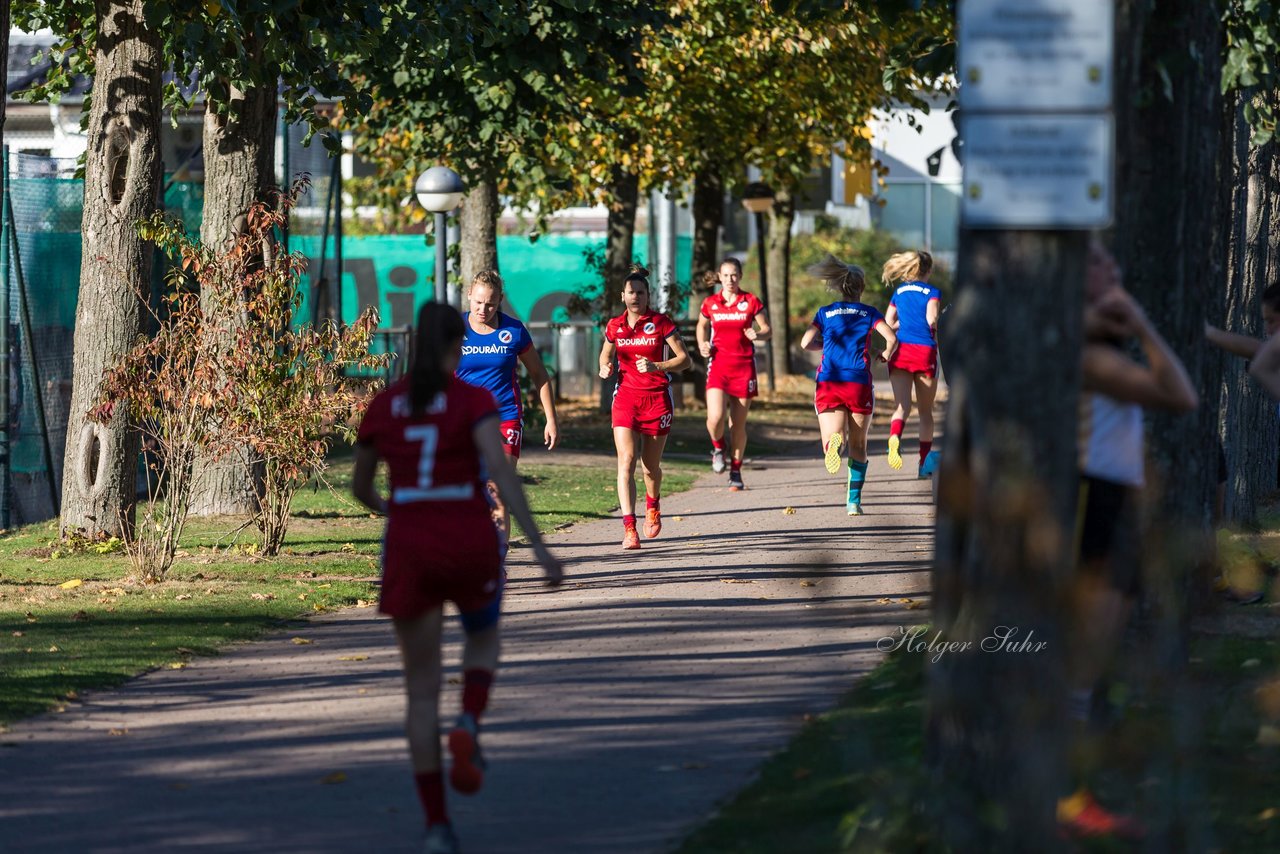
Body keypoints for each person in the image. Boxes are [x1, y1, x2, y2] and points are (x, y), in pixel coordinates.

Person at [352, 303, 564, 854]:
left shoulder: (386, 403)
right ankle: (469, 717)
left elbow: (362, 487)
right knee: (484, 637)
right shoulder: (473, 401)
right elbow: (500, 473)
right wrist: (539, 549)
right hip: (467, 538)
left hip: (411, 546)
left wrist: (394, 506)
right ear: (456, 347)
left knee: (420, 693)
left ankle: (437, 828)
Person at [1058, 239, 1197, 839]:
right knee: (1078, 663)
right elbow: (1180, 396)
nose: (1113, 267)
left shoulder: (1084, 337)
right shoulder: (1084, 350)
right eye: (1097, 261)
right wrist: (1140, 322)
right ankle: (1059, 800)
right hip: (1091, 498)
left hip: (1110, 497)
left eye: (1114, 259)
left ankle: (1068, 797)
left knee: (1088, 664)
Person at [455, 270, 559, 546]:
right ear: (469, 295)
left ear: (500, 300)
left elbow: (539, 374)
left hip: (505, 419)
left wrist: (551, 418)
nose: (483, 309)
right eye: (478, 302)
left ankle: (496, 561)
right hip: (464, 422)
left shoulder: (513, 331)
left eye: (490, 303)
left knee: (496, 491)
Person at [599, 265, 692, 549]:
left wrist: (657, 366)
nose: (635, 297)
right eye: (631, 292)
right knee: (625, 461)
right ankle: (629, 528)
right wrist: (605, 366)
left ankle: (653, 504)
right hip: (626, 397)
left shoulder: (661, 323)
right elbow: (605, 354)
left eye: (640, 292)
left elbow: (685, 360)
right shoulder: (615, 326)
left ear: (648, 296)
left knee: (650, 467)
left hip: (656, 398)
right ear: (622, 296)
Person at [800, 254, 897, 516]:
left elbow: (805, 343)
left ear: (839, 287)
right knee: (859, 445)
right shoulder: (869, 313)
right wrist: (886, 354)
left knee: (833, 439)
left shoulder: (825, 312)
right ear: (861, 288)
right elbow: (891, 338)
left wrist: (825, 345)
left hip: (829, 379)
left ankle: (834, 444)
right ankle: (853, 501)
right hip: (858, 381)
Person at [696, 257, 771, 490]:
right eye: (726, 275)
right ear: (719, 276)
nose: (730, 279)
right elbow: (702, 325)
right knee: (715, 417)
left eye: (734, 275)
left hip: (743, 368)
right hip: (718, 366)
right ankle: (718, 448)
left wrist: (757, 335)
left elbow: (768, 330)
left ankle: (736, 470)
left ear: (740, 276)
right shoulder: (711, 302)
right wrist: (702, 344)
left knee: (737, 424)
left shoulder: (750, 301)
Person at [881, 250, 942, 477]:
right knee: (925, 412)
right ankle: (922, 464)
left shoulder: (899, 291)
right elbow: (931, 319)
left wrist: (903, 326)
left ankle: (894, 437)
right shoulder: (932, 292)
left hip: (901, 351)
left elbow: (888, 321)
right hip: (924, 351)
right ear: (929, 270)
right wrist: (933, 330)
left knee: (902, 407)